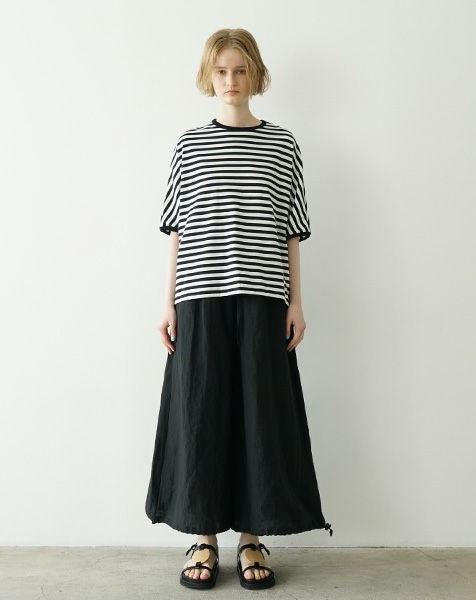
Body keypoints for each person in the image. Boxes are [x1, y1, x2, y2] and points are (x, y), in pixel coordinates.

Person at [145, 28, 333, 590]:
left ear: (256, 74)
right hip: (200, 299)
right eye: (222, 71)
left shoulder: (283, 144)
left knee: (259, 418)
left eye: (241, 70)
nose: (231, 80)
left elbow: (292, 229)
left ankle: (251, 536)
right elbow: (176, 229)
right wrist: (167, 302)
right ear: (210, 76)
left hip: (263, 300)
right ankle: (203, 538)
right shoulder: (189, 145)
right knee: (201, 415)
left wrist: (296, 301)